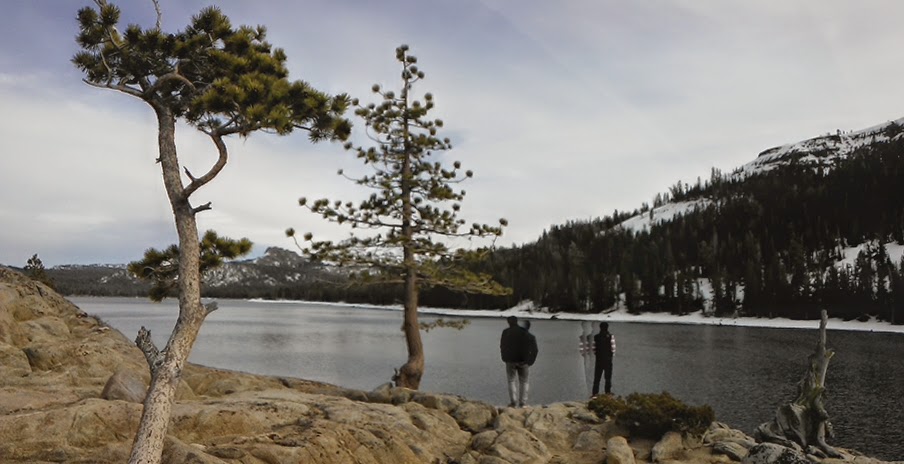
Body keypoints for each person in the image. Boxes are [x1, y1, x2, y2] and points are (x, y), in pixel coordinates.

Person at [500, 316, 538, 407]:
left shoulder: (506, 332)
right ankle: (523, 402)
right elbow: (535, 349)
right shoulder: (526, 333)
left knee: (511, 380)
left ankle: (513, 402)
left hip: (510, 360)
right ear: (517, 321)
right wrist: (530, 361)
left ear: (508, 322)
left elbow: (502, 346)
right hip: (524, 361)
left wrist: (504, 357)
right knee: (524, 381)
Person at [592, 322, 616, 396]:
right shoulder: (611, 336)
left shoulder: (596, 337)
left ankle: (595, 394)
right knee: (608, 378)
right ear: (607, 327)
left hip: (599, 360)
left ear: (600, 327)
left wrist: (597, 354)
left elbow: (593, 348)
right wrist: (611, 355)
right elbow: (613, 348)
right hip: (608, 360)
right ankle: (607, 393)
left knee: (597, 378)